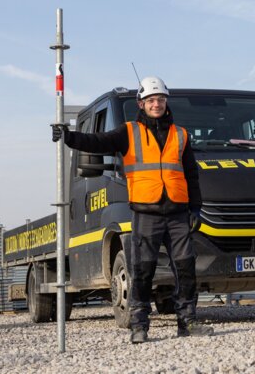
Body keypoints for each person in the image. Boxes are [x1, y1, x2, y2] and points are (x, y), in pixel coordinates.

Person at [52, 76, 210, 343]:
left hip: (178, 214)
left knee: (185, 267)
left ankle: (187, 322)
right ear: (141, 103)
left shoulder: (180, 134)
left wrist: (196, 208)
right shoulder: (129, 132)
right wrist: (69, 137)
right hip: (146, 213)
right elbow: (98, 142)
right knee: (142, 269)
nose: (156, 104)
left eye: (160, 99)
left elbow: (191, 175)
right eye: (151, 100)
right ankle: (139, 325)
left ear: (166, 102)